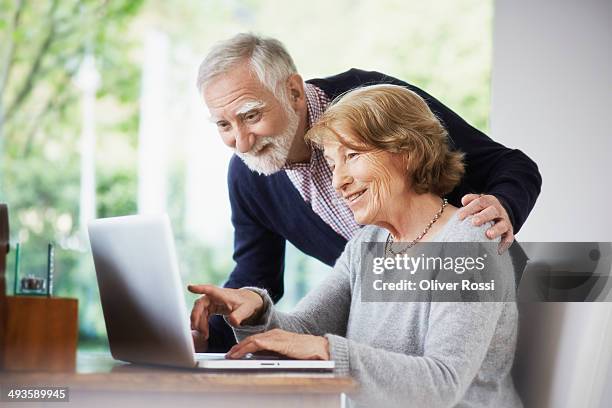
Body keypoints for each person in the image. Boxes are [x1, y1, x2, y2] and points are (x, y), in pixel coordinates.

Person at [194, 33, 541, 351]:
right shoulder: (250, 173)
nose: (240, 142)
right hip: (388, 336)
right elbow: (257, 278)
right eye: (224, 125)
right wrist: (199, 338)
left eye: (251, 115)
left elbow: (512, 165)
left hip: (467, 302)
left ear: (294, 93)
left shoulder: (373, 103)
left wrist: (501, 207)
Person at [189, 84, 522, 407]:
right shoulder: (369, 243)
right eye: (333, 164)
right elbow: (303, 331)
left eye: (352, 156)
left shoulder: (468, 242)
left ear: (406, 153)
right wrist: (255, 310)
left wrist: (328, 351)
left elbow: (441, 384)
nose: (338, 182)